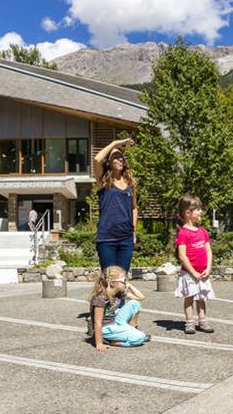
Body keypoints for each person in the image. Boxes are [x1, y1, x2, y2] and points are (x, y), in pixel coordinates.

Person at [92, 138, 138, 271]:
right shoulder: (103, 181)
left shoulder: (130, 184)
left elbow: (134, 208)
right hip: (106, 239)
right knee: (109, 279)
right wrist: (115, 143)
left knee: (122, 280)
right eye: (115, 157)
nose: (120, 160)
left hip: (126, 239)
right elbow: (96, 159)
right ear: (109, 162)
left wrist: (134, 232)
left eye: (121, 157)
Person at [174, 194, 215, 335]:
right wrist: (193, 272)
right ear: (188, 213)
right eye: (197, 209)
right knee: (190, 297)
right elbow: (182, 255)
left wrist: (208, 268)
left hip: (203, 272)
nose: (200, 212)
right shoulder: (183, 233)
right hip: (189, 274)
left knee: (202, 297)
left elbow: (209, 251)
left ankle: (202, 321)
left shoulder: (203, 231)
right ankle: (190, 322)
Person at [88, 265, 150, 350]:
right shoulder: (101, 298)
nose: (125, 282)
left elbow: (140, 297)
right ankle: (110, 341)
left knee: (134, 304)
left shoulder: (118, 293)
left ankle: (131, 329)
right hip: (106, 329)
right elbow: (97, 322)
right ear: (113, 283)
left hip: (115, 321)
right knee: (140, 338)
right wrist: (99, 343)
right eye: (123, 280)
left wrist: (129, 285)